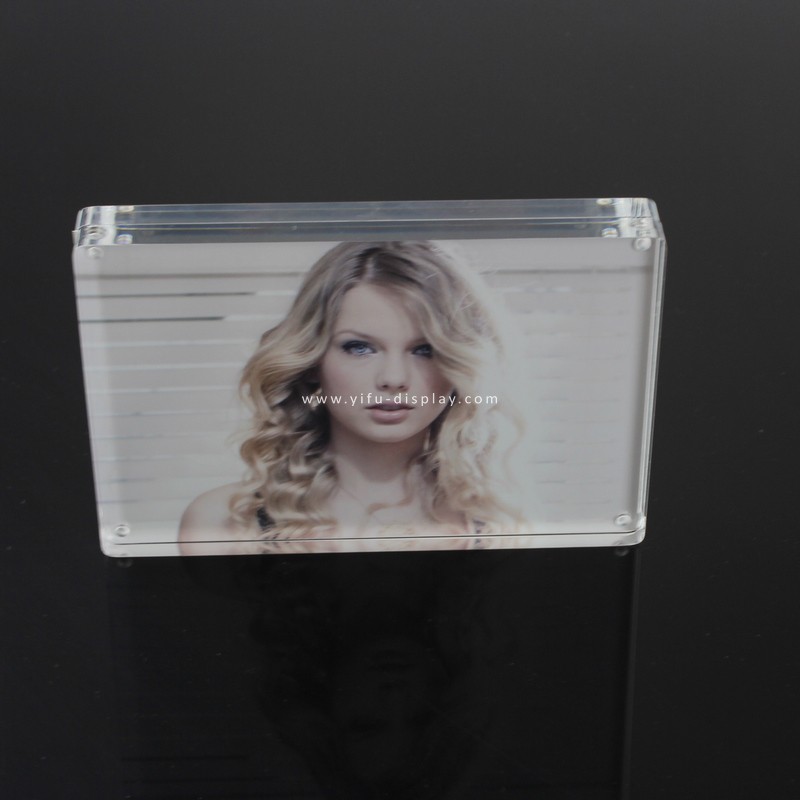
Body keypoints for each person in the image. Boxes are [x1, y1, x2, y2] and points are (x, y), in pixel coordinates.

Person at [179, 241, 524, 554]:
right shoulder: (222, 525)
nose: (393, 378)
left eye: (425, 350)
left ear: (460, 364)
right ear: (312, 362)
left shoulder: (503, 522)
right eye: (359, 348)